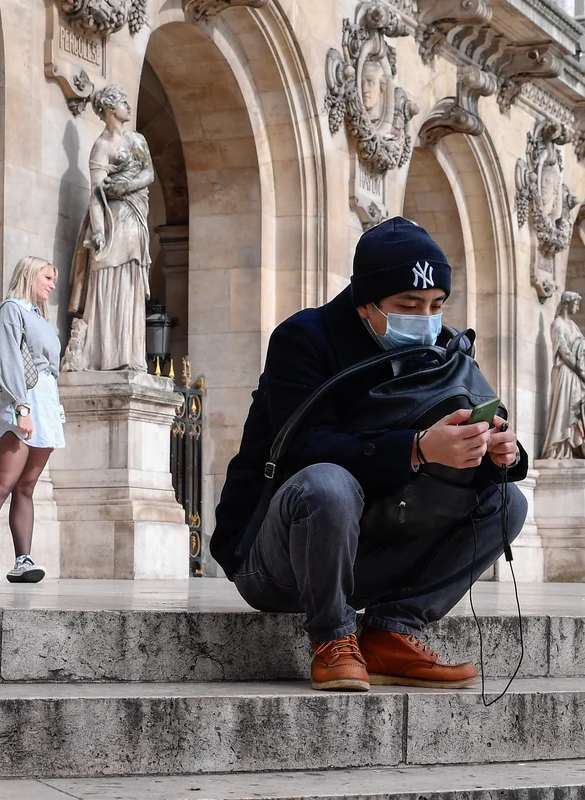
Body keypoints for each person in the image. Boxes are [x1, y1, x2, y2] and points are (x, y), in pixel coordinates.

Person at [212, 217, 529, 692]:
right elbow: (302, 448)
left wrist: (499, 451)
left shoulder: (445, 350)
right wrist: (418, 449)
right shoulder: (305, 338)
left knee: (509, 502)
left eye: (436, 305)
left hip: (378, 543)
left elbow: (489, 437)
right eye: (408, 305)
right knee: (328, 483)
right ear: (366, 305)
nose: (425, 319)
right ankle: (333, 639)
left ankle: (394, 631)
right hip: (279, 559)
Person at [0, 257, 65, 584]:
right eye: (47, 277)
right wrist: (22, 407)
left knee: (26, 487)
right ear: (29, 274)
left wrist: (53, 410)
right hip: (22, 400)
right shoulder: (12, 309)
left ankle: (23, 561)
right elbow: (5, 358)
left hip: (45, 404)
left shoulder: (39, 316)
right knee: (2, 483)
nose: (52, 284)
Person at [66, 84, 155, 372]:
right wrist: (100, 232)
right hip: (114, 218)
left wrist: (129, 185)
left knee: (131, 278)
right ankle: (105, 354)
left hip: (135, 217)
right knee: (108, 275)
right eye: (123, 102)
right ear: (109, 108)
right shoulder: (101, 146)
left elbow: (149, 173)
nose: (128, 106)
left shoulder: (137, 139)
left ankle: (130, 351)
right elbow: (95, 193)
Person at [541, 291, 585, 460]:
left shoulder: (573, 325)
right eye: (576, 304)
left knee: (577, 411)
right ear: (567, 304)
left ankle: (574, 450)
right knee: (565, 409)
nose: (578, 308)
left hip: (577, 377)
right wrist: (580, 370)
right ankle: (559, 448)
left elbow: (582, 350)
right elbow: (564, 351)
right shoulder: (557, 324)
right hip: (565, 373)